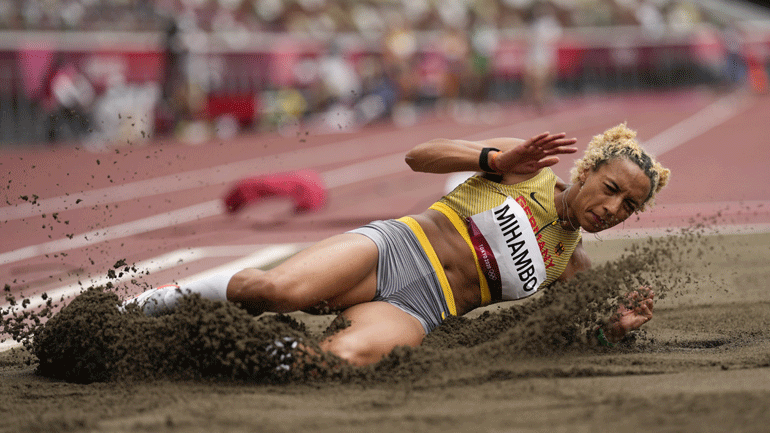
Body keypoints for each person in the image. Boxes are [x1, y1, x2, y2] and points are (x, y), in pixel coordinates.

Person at [123, 123, 670, 366]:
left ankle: (209, 355)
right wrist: (492, 161)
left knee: (341, 360)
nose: (612, 209)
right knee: (270, 292)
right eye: (612, 189)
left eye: (628, 206)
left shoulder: (571, 263)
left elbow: (561, 337)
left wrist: (609, 331)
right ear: (589, 169)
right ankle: (163, 301)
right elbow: (419, 156)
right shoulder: (524, 167)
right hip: (394, 248)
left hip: (419, 310)